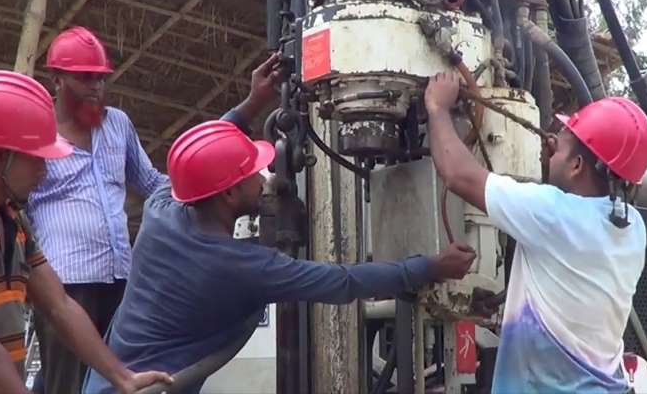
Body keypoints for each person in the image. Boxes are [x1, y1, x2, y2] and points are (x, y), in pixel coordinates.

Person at [83, 54, 478, 394]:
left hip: (104, 383)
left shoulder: (161, 210)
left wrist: (252, 104)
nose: (265, 175)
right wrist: (429, 267)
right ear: (228, 195)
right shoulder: (239, 267)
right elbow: (343, 281)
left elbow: (198, 161)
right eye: (253, 172)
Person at [425, 71, 647, 393]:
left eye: (559, 152)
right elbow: (577, 198)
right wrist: (562, 154)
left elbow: (457, 174)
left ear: (577, 166)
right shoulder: (634, 227)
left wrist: (437, 107)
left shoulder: (551, 214)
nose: (549, 155)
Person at [0, 70, 172, 393]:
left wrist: (122, 376)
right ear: (0, 156)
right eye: (37, 159)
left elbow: (59, 305)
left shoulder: (13, 221)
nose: (45, 170)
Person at [27, 26, 169, 393]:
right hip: (64, 283)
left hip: (120, 277)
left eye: (101, 79)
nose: (96, 88)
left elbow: (151, 183)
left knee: (118, 378)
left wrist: (198, 186)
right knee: (67, 382)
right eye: (84, 78)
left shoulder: (117, 124)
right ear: (57, 79)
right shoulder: (36, 133)